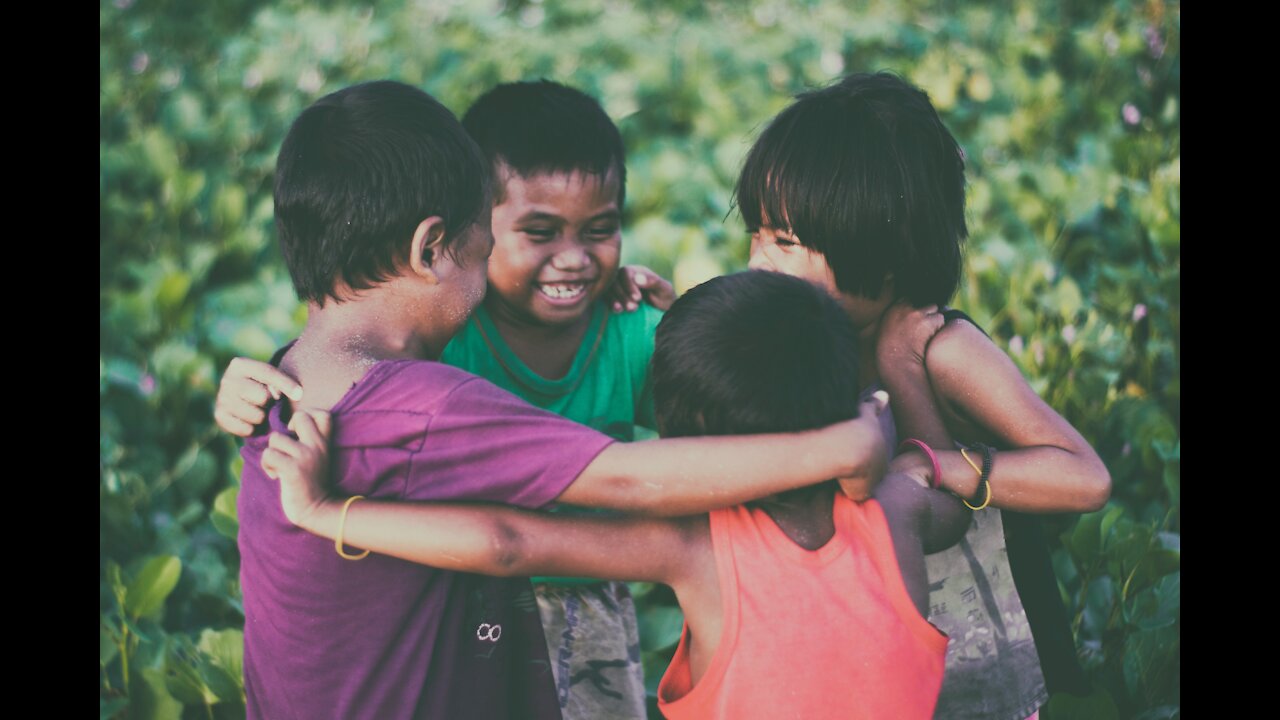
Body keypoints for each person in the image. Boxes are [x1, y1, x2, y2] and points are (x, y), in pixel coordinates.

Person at [238, 79, 890, 719]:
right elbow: (621, 483)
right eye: (484, 240)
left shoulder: (287, 381)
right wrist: (842, 445)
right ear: (431, 248)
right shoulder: (422, 405)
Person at [262, 270, 971, 720]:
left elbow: (506, 543)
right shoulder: (899, 508)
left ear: (686, 439)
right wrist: (896, 385)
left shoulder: (695, 547)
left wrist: (327, 512)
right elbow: (941, 482)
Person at [221, 79, 671, 719]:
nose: (572, 260)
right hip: (483, 597)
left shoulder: (628, 330)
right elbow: (521, 529)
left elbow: (709, 408)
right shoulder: (439, 348)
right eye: (535, 233)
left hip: (570, 595)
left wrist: (688, 322)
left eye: (599, 231)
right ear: (442, 244)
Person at [734, 71, 1111, 719]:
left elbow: (1084, 480)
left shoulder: (945, 349)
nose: (758, 261)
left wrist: (937, 451)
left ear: (884, 266)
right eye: (758, 233)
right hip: (876, 660)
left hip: (996, 653)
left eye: (786, 242)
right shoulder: (797, 341)